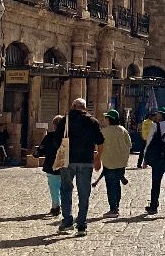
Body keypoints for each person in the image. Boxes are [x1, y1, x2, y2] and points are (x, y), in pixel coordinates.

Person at [54, 97, 105, 236]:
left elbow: (56, 139)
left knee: (66, 190)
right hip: (86, 161)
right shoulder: (92, 121)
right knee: (84, 193)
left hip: (68, 161)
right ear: (85, 108)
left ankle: (67, 222)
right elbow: (100, 142)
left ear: (73, 107)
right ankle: (81, 225)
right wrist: (98, 158)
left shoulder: (65, 120)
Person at [100, 107, 132, 219]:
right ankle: (116, 206)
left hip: (108, 162)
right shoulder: (123, 130)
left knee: (110, 186)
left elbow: (99, 146)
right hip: (121, 163)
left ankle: (113, 208)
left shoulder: (104, 132)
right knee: (117, 185)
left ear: (109, 119)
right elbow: (129, 144)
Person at [35, 115, 65, 216]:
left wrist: (36, 153)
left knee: (54, 187)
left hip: (51, 165)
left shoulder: (49, 136)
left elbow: (41, 150)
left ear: (54, 125)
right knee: (64, 187)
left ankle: (56, 206)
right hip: (65, 165)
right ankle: (64, 206)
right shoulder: (68, 137)